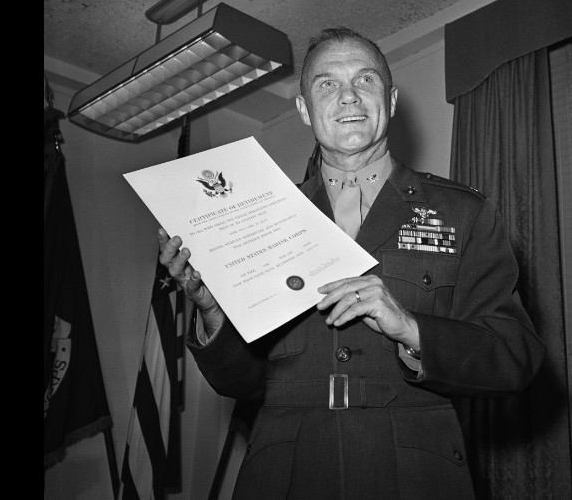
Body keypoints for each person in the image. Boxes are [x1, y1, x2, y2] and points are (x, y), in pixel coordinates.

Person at [156, 27, 545, 500]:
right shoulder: (262, 217)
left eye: (366, 80)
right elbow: (242, 382)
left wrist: (411, 327)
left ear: (392, 99)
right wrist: (213, 310)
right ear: (303, 109)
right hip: (285, 469)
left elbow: (515, 357)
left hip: (416, 467)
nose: (349, 98)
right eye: (326, 84)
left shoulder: (463, 212)